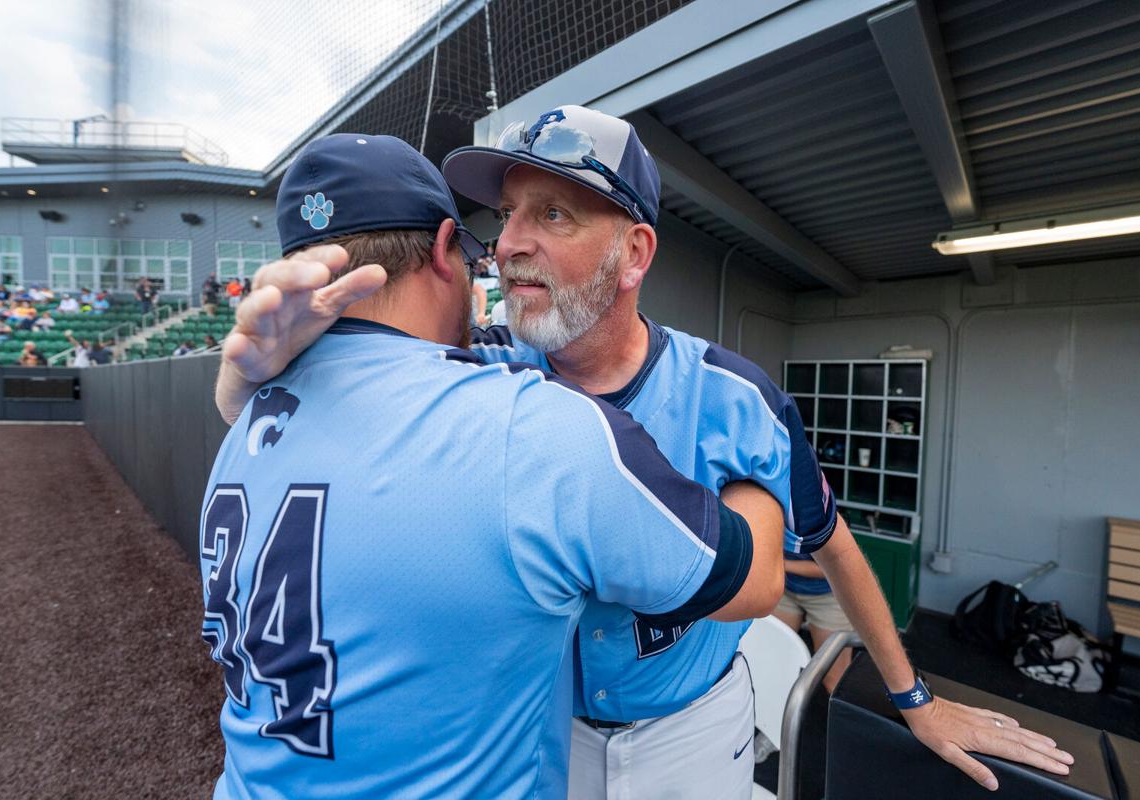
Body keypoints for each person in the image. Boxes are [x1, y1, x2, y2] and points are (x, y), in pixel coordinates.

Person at [217, 108, 1074, 797]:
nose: (509, 240)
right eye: (507, 213)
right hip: (542, 734)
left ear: (634, 253)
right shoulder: (480, 367)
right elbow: (356, 394)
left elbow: (835, 544)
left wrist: (914, 700)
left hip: (686, 732)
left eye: (553, 212)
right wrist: (257, 371)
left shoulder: (733, 396)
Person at [200, 133, 783, 799]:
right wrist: (752, 485)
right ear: (448, 252)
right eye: (485, 247)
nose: (501, 260)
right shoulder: (533, 429)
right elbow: (753, 577)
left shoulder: (243, 420)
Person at [772, 552, 854, 692]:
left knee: (834, 678)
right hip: (785, 587)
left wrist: (779, 563)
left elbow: (835, 566)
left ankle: (835, 713)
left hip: (829, 594)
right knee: (774, 660)